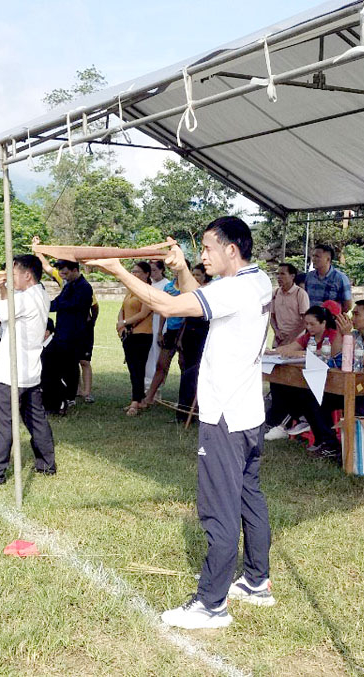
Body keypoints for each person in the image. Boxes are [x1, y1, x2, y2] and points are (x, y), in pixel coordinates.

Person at [87, 216, 274, 630]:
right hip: (248, 413)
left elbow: (170, 306)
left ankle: (211, 604)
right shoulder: (258, 281)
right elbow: (204, 301)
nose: (202, 254)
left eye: (207, 248)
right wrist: (181, 270)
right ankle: (257, 581)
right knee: (248, 497)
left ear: (231, 250)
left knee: (218, 509)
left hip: (225, 415)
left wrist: (118, 271)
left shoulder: (235, 288)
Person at [0, 254, 56, 486]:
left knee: (4, 425)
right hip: (30, 372)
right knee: (36, 419)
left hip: (10, 373)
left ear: (27, 275)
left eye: (14, 274)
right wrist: (5, 286)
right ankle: (46, 463)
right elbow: (8, 313)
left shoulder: (25, 299)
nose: (10, 277)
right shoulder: (40, 294)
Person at [301, 299, 364, 458]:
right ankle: (329, 444)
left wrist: (347, 335)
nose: (352, 317)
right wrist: (341, 333)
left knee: (354, 406)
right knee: (314, 397)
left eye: (356, 314)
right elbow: (334, 355)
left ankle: (353, 451)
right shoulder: (354, 335)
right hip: (356, 387)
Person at [264, 306, 340, 440]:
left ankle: (296, 420)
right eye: (306, 324)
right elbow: (290, 347)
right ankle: (284, 420)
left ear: (323, 323)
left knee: (302, 393)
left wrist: (296, 353)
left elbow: (323, 353)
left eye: (312, 324)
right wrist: (274, 351)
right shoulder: (307, 337)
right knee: (279, 384)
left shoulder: (332, 335)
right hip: (307, 375)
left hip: (327, 379)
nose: (308, 327)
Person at [47, 259, 94, 413]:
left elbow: (71, 305)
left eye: (66, 272)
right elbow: (58, 302)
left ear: (75, 270)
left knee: (70, 366)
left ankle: (70, 397)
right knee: (58, 363)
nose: (63, 275)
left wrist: (51, 306)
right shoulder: (69, 285)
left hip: (74, 334)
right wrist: (44, 306)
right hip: (62, 332)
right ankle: (64, 395)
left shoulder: (84, 288)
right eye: (61, 272)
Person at [118, 261, 155, 416]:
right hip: (129, 334)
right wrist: (120, 324)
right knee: (132, 368)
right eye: (132, 271)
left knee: (138, 369)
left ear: (147, 274)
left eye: (138, 271)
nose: (134, 274)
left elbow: (144, 313)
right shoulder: (131, 290)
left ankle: (136, 402)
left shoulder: (148, 291)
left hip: (142, 334)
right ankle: (138, 399)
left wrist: (125, 322)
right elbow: (123, 308)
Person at [175, 264, 211, 424]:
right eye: (193, 275)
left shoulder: (210, 293)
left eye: (197, 275)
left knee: (196, 375)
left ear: (205, 276)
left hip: (203, 338)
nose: (195, 278)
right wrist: (180, 338)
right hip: (189, 335)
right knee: (186, 374)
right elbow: (186, 319)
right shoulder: (192, 293)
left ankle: (196, 413)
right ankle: (182, 413)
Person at [144, 260, 173, 389]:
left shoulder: (166, 285)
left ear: (162, 270)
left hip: (160, 321)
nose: (153, 273)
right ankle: (146, 383)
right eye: (151, 270)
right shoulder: (148, 285)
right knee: (148, 352)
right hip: (147, 321)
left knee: (157, 352)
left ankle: (156, 387)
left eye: (155, 270)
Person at [270, 262, 311, 347]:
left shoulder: (300, 294)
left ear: (292, 276)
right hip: (278, 340)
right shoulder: (275, 293)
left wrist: (289, 339)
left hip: (296, 342)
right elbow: (272, 316)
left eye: (282, 274)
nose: (279, 277)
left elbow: (305, 321)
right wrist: (277, 332)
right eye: (277, 274)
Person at [305, 244, 353, 312]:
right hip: (312, 320)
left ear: (328, 259)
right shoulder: (309, 276)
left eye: (317, 256)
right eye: (313, 256)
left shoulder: (341, 278)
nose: (313, 259)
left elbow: (347, 306)